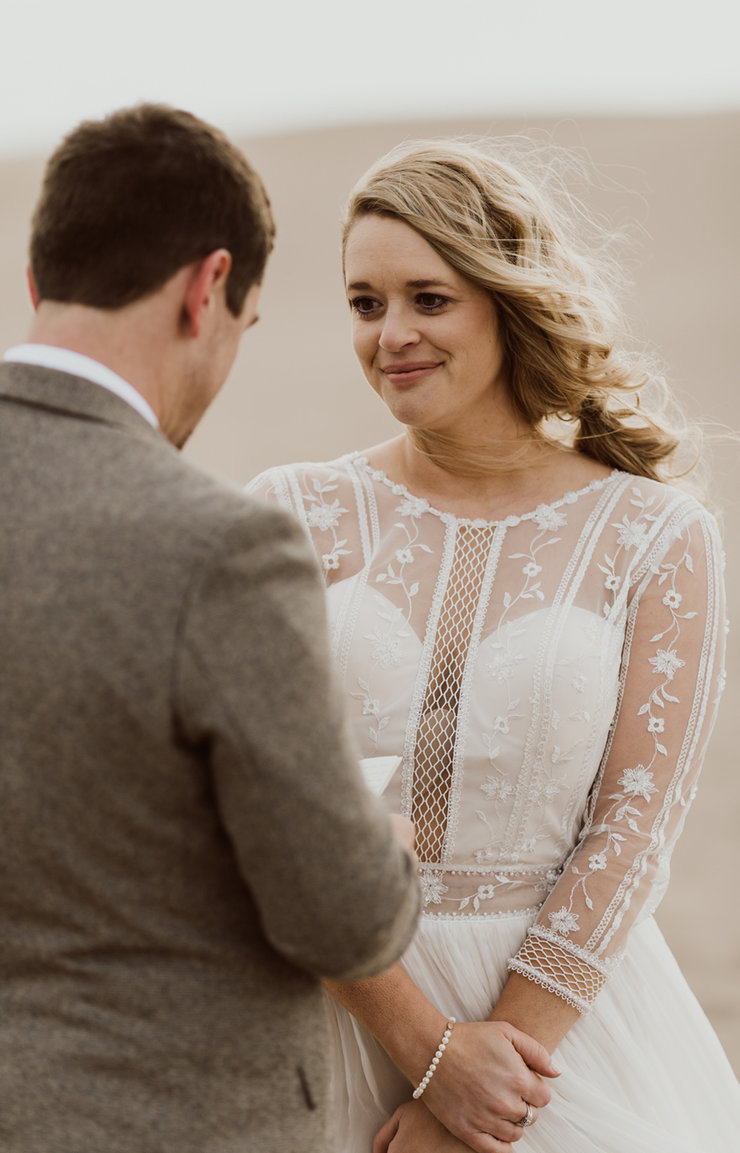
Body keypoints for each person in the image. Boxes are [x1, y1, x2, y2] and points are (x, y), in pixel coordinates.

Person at [247, 138, 740, 1153]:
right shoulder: (290, 515)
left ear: (505, 300)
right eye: (364, 302)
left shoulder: (653, 535)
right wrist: (425, 1048)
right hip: (322, 1015)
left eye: (428, 298)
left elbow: (632, 830)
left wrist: (480, 1091)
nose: (390, 335)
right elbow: (259, 809)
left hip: (561, 1047)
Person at [0, 103, 422, 1151]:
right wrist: (384, 846)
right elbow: (339, 916)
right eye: (241, 329)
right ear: (207, 287)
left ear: (40, 284)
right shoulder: (221, 548)